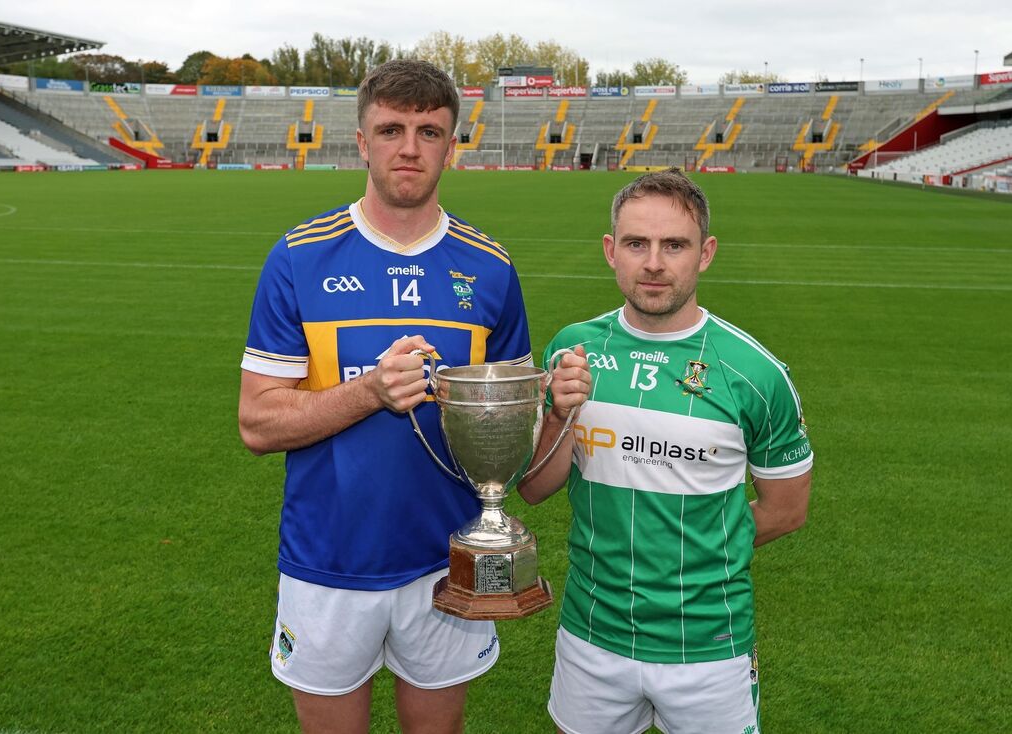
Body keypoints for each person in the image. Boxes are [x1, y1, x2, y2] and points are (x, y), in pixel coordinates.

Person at [237, 59, 583, 734]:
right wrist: (368, 390)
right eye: (391, 129)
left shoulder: (489, 266)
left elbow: (513, 435)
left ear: (452, 145)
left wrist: (560, 410)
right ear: (363, 140)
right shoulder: (299, 257)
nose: (410, 147)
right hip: (328, 563)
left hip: (447, 561)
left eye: (430, 131)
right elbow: (257, 423)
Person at [519, 168, 813, 734]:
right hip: (591, 635)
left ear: (705, 253)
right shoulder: (573, 350)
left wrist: (697, 555)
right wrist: (559, 413)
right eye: (636, 244)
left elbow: (786, 509)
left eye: (673, 245)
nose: (653, 263)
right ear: (611, 251)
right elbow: (533, 488)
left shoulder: (756, 373)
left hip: (710, 644)